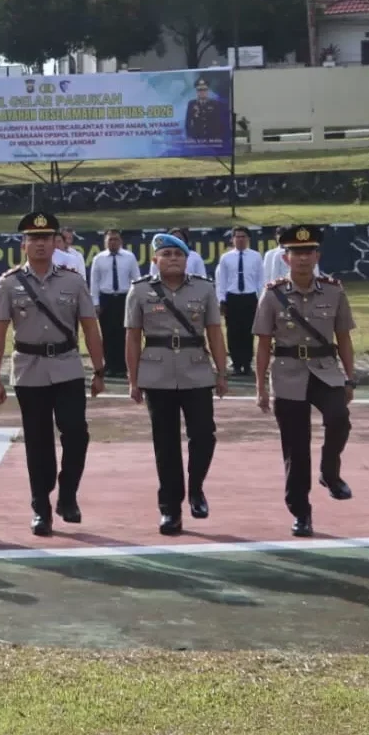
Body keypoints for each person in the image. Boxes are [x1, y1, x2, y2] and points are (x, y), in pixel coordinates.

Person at [0, 212, 107, 536]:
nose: (39, 244)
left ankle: (67, 494)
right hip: (29, 369)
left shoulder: (73, 281)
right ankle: (41, 507)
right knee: (38, 442)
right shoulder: (9, 283)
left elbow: (90, 327)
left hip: (67, 366)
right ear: (23, 244)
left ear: (56, 243)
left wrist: (99, 369)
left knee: (76, 434)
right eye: (33, 238)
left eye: (45, 238)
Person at [254, 225, 356, 538]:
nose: (302, 257)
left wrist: (350, 378)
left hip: (325, 370)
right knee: (296, 448)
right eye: (296, 252)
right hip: (288, 373)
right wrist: (261, 387)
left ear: (317, 256)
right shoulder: (272, 294)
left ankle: (330, 472)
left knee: (339, 419)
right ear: (285, 258)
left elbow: (343, 337)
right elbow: (263, 343)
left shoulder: (334, 291)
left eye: (308, 251)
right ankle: (301, 512)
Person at [126, 233, 227, 536]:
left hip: (196, 370)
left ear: (187, 259)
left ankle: (196, 488)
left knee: (204, 435)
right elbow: (132, 337)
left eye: (178, 254)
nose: (172, 259)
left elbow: (214, 332)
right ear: (155, 260)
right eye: (166, 254)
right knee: (165, 443)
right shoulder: (140, 290)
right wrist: (133, 379)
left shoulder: (204, 288)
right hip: (156, 373)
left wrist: (222, 372)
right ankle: (170, 509)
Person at [88, 229, 141, 378]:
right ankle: (110, 366)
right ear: (105, 242)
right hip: (106, 298)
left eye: (116, 239)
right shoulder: (99, 258)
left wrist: (137, 300)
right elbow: (94, 282)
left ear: (121, 241)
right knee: (108, 333)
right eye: (110, 239)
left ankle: (123, 367)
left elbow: (136, 279)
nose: (113, 242)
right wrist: (95, 303)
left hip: (125, 298)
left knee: (124, 333)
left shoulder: (129, 257)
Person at [217, 227, 264, 377]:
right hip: (233, 297)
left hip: (250, 297)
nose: (240, 239)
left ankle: (247, 363)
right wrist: (222, 299)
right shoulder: (226, 258)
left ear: (248, 239)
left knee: (249, 331)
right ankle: (236, 364)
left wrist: (261, 298)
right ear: (232, 239)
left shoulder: (256, 256)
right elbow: (222, 280)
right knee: (233, 331)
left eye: (243, 236)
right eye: (237, 237)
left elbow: (260, 279)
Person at [183, 76, 230, 144]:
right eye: (200, 90)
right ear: (197, 91)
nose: (202, 92)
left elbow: (220, 123)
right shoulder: (191, 104)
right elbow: (188, 123)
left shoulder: (215, 104)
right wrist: (190, 137)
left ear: (207, 90)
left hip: (213, 140)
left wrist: (219, 138)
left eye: (204, 90)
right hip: (197, 140)